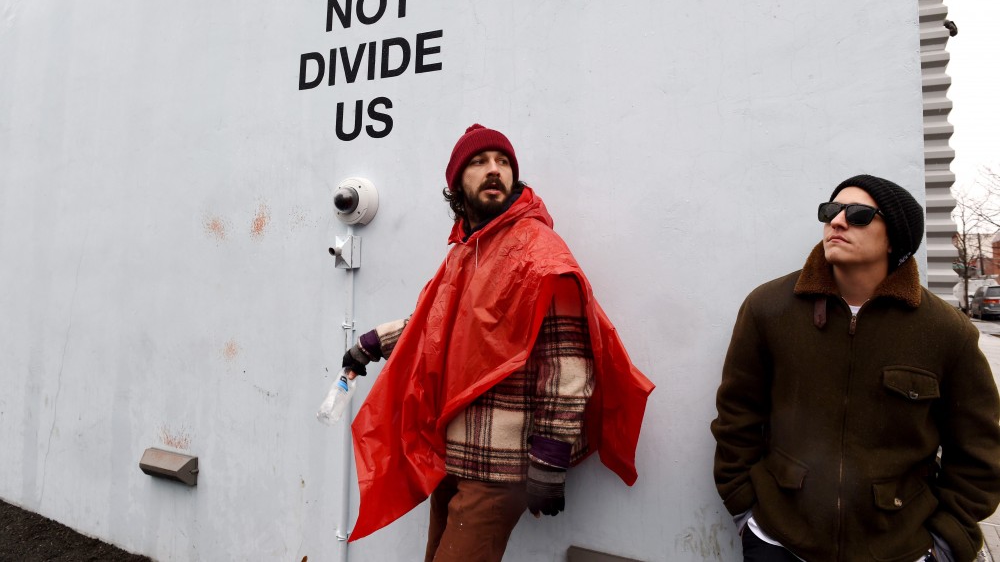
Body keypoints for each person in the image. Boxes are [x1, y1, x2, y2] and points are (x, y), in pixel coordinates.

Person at [340, 124, 653, 561]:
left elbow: (568, 366)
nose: (494, 170)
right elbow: (441, 324)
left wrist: (549, 457)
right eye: (479, 162)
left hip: (499, 468)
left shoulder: (538, 253)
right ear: (456, 183)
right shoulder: (468, 249)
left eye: (503, 162)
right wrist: (373, 343)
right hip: (454, 455)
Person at [711, 175, 1000, 562]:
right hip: (779, 541)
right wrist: (745, 510)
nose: (838, 221)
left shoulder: (946, 331)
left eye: (859, 214)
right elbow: (737, 415)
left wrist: (948, 541)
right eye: (831, 211)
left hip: (899, 547)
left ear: (895, 237)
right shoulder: (768, 308)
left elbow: (979, 450)